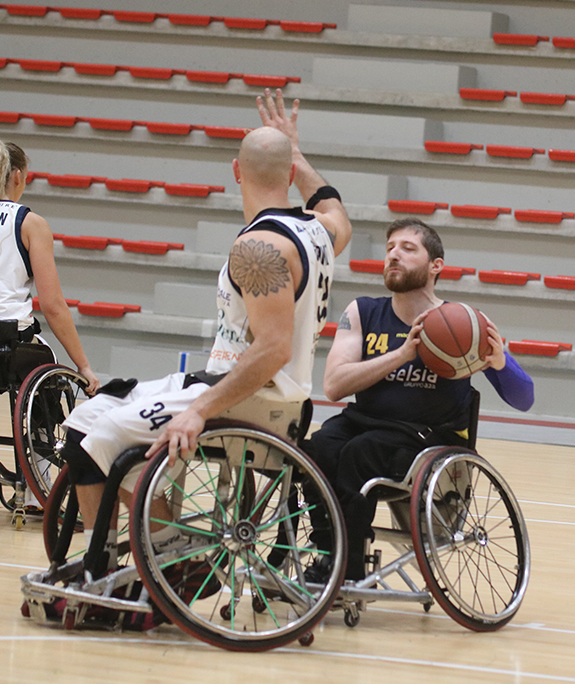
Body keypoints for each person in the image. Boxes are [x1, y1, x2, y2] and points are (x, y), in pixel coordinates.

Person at [59, 89, 351, 600]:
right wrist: (298, 155)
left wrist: (199, 411)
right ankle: (101, 559)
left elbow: (273, 348)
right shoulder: (320, 232)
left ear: (235, 172)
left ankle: (180, 554)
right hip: (268, 397)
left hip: (249, 398)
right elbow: (338, 213)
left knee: (93, 442)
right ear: (287, 175)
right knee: (85, 417)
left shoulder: (258, 246)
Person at [304, 217, 534, 583]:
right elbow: (333, 386)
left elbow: (524, 399)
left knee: (360, 453)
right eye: (390, 248)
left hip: (428, 437)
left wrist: (501, 362)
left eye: (408, 249)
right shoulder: (362, 312)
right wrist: (400, 355)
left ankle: (345, 567)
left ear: (435, 266)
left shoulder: (464, 324)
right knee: (318, 447)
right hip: (366, 422)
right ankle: (325, 553)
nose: (394, 255)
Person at [1, 140, 100, 512]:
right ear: (16, 176)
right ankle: (39, 482)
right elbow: (54, 306)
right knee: (44, 371)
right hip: (10, 340)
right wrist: (84, 366)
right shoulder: (30, 223)